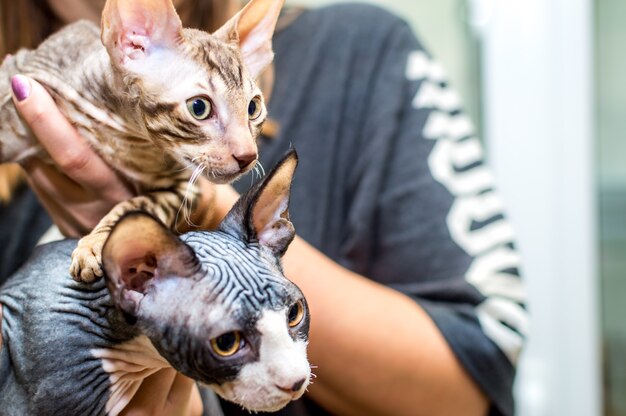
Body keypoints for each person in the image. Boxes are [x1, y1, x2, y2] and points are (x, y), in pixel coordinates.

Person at [0, 0, 528, 415]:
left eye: (250, 110)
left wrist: (207, 219)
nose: (245, 149)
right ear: (131, 36)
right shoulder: (26, 90)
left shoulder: (359, 52)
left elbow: (470, 385)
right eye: (201, 108)